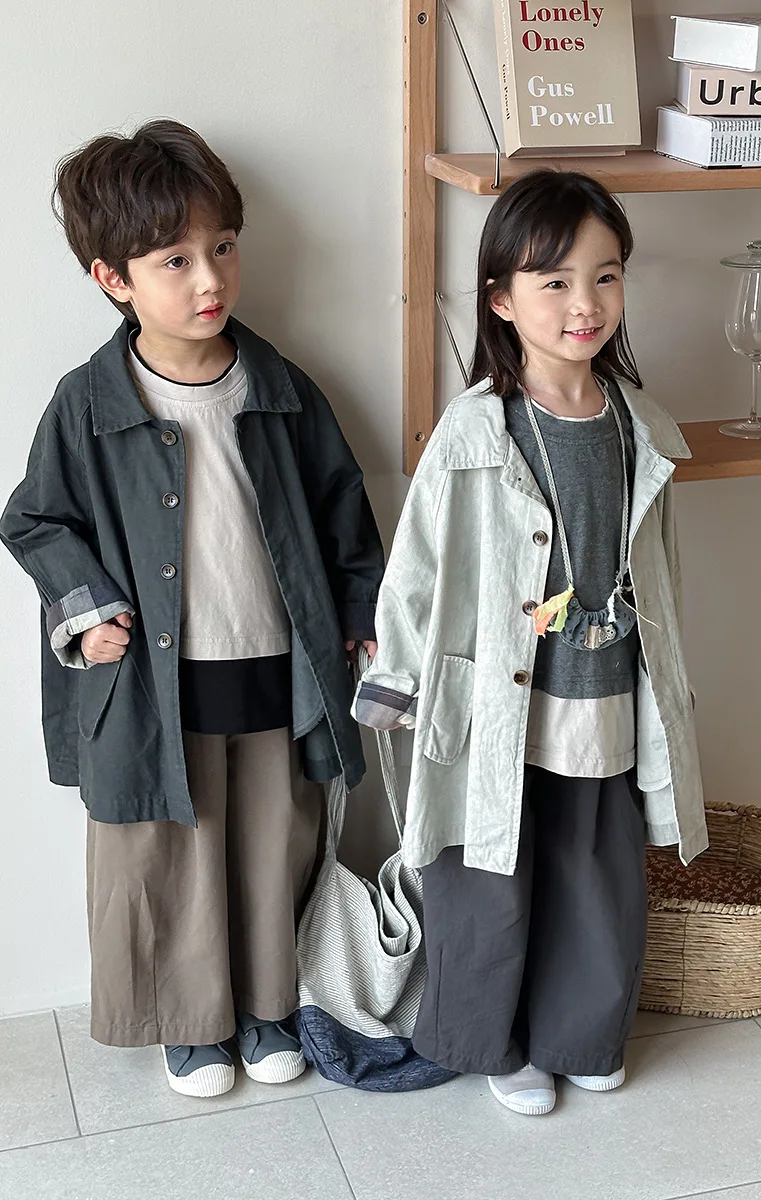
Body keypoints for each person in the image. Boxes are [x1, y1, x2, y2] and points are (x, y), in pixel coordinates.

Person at [0, 120, 384, 1098]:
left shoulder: (283, 388)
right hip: (154, 677)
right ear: (113, 279)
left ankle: (268, 1008)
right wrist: (85, 609)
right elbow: (34, 518)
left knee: (271, 839)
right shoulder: (88, 403)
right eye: (174, 260)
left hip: (275, 660)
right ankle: (189, 1024)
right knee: (170, 850)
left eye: (222, 247)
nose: (209, 278)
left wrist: (359, 615)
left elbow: (345, 515)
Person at [353, 169, 707, 1116]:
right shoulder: (475, 429)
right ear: (502, 299)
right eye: (555, 281)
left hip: (604, 685)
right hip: (498, 699)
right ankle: (496, 1043)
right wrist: (394, 677)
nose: (584, 303)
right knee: (490, 875)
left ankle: (580, 1035)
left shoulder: (641, 425)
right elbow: (417, 564)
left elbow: (661, 569)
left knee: (597, 872)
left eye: (606, 276)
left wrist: (673, 677)